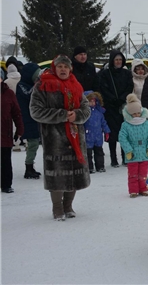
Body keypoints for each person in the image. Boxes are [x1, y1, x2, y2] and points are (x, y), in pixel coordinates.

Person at [30, 55, 91, 220]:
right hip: (54, 138)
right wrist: (63, 115)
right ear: (54, 68)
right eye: (60, 66)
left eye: (66, 66)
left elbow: (86, 109)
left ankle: (68, 206)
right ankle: (57, 208)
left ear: (70, 69)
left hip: (75, 137)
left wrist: (76, 116)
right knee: (56, 174)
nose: (63, 69)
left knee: (75, 172)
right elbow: (35, 111)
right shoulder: (43, 85)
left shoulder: (76, 85)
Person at [98, 50, 134, 167]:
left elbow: (129, 86)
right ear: (112, 61)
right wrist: (112, 99)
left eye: (120, 59)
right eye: (116, 59)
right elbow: (103, 88)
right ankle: (114, 158)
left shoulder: (127, 73)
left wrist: (122, 98)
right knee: (112, 134)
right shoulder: (105, 73)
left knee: (124, 133)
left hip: (123, 106)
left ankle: (125, 157)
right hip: (110, 106)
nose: (118, 62)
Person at [119, 94, 148, 197]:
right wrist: (128, 150)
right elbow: (122, 138)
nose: (137, 115)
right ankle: (133, 190)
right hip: (133, 154)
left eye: (138, 113)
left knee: (143, 173)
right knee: (133, 174)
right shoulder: (126, 125)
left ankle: (143, 189)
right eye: (134, 113)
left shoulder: (147, 124)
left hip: (144, 152)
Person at [15, 62, 42, 179]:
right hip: (27, 118)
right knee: (33, 143)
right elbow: (28, 95)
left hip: (34, 118)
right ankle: (28, 168)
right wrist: (37, 85)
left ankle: (30, 167)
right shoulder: (21, 85)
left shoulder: (28, 85)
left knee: (35, 144)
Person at [1, 72, 24, 193]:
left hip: (5, 133)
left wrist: (20, 129)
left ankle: (6, 184)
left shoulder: (8, 93)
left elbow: (16, 113)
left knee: (5, 160)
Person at [84, 91, 110, 173]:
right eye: (90, 101)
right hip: (87, 136)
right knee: (88, 153)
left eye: (93, 101)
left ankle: (100, 166)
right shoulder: (85, 113)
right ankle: (89, 167)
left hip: (98, 136)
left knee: (99, 152)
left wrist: (106, 131)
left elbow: (103, 122)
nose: (92, 103)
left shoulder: (99, 112)